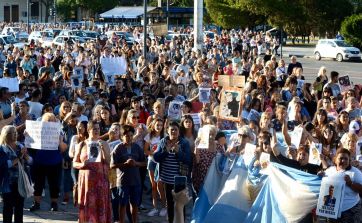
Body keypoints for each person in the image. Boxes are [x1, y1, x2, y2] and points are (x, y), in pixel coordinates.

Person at [73, 120, 112, 223]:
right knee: (87, 205)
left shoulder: (104, 143)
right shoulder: (82, 144)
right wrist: (82, 164)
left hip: (100, 181)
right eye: (94, 129)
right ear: (89, 130)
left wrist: (103, 149)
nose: (97, 131)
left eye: (98, 129)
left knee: (100, 207)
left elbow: (108, 162)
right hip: (86, 182)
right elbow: (74, 163)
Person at [153, 121, 192, 223]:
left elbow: (188, 160)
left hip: (179, 179)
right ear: (167, 131)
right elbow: (156, 157)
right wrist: (165, 151)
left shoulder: (184, 143)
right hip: (166, 178)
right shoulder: (163, 142)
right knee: (170, 204)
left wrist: (178, 152)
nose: (174, 131)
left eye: (176, 129)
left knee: (180, 204)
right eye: (172, 129)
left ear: (179, 132)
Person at [110, 124, 146, 223]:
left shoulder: (137, 147)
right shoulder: (118, 148)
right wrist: (124, 164)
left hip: (136, 181)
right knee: (122, 204)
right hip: (122, 181)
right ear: (122, 136)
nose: (129, 138)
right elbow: (112, 165)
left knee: (134, 205)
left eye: (131, 135)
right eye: (126, 136)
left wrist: (136, 163)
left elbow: (144, 162)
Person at [0, 125, 33, 223]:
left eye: (16, 132)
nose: (15, 135)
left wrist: (26, 156)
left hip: (20, 181)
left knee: (19, 208)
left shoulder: (20, 145)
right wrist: (18, 157)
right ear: (6, 135)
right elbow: (5, 165)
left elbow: (31, 162)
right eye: (12, 133)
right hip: (7, 183)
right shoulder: (2, 149)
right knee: (8, 208)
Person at [323, 149, 362, 222]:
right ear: (335, 160)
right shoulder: (329, 171)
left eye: (346, 159)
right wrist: (320, 176)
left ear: (349, 160)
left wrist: (351, 184)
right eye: (341, 158)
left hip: (351, 210)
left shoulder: (356, 172)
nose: (343, 161)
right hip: (332, 211)